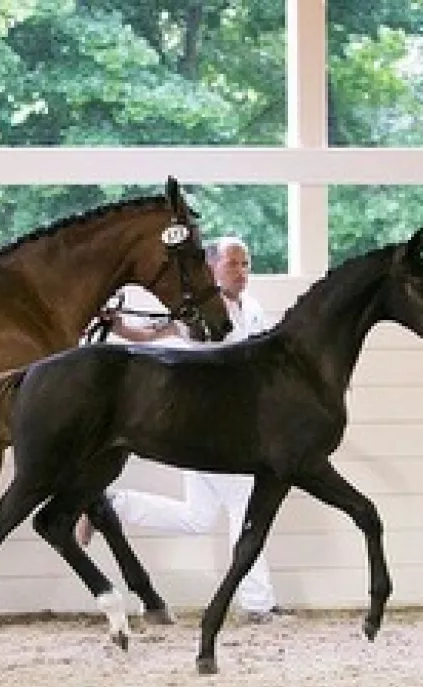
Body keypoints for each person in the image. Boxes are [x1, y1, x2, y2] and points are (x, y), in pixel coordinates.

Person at [76, 235, 289, 623]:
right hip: (215, 430)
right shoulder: (198, 314)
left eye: (245, 264)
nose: (241, 272)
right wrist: (119, 324)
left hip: (229, 431)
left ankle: (111, 504)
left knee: (197, 518)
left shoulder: (253, 308)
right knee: (248, 511)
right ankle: (258, 605)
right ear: (211, 268)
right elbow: (151, 336)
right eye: (233, 264)